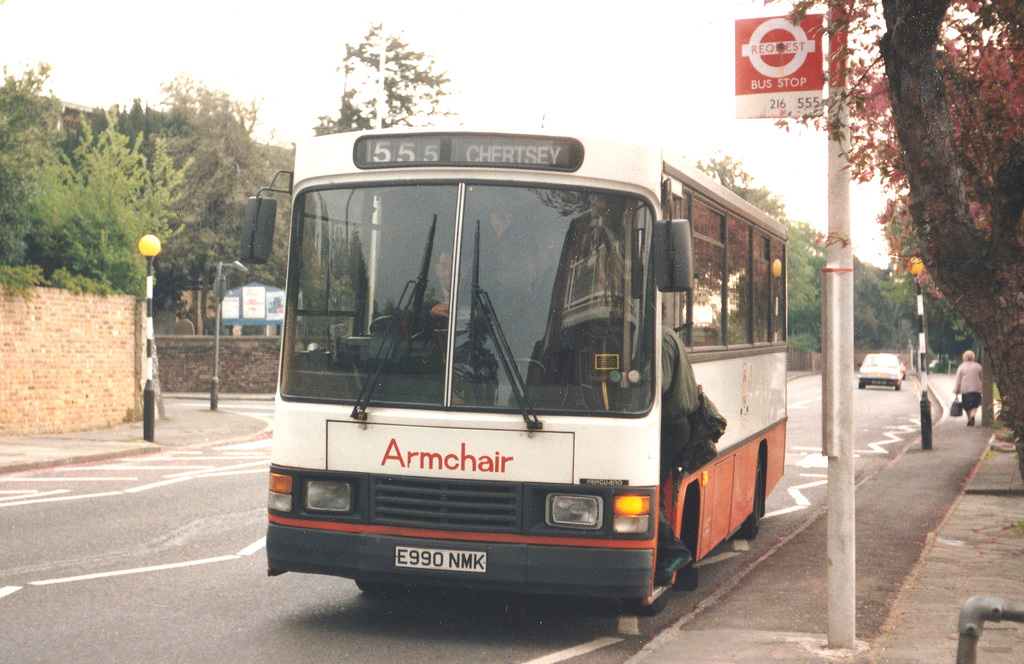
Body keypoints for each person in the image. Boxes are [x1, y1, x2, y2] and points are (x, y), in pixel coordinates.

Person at [655, 326, 702, 584]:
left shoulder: (660, 340)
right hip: (676, 426)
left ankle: (675, 552)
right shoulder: (668, 335)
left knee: (649, 493)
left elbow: (657, 386)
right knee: (656, 493)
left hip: (670, 427)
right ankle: (669, 554)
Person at [953, 350, 983, 426]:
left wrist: (956, 390)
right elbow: (982, 378)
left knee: (967, 406)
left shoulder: (961, 367)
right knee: (975, 405)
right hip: (976, 389)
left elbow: (958, 380)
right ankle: (973, 415)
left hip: (965, 390)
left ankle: (970, 419)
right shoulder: (978, 366)